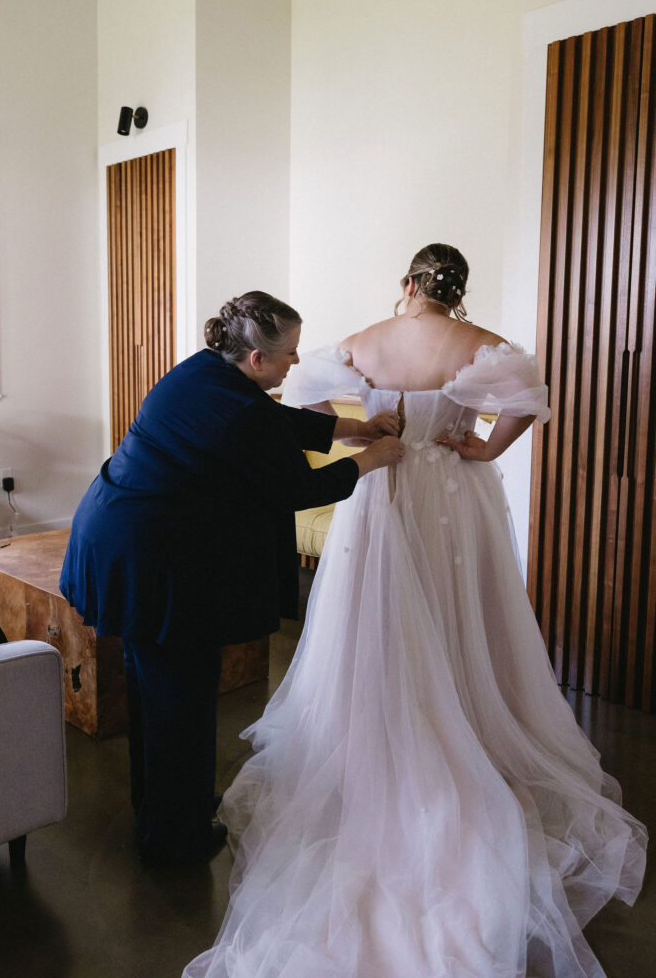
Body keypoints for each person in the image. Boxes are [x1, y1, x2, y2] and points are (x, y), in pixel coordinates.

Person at [183, 246, 647, 977]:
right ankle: (469, 723)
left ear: (407, 283)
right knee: (462, 617)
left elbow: (302, 400)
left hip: (379, 491)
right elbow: (529, 401)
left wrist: (360, 428)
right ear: (458, 290)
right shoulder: (479, 342)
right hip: (452, 500)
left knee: (378, 617)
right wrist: (481, 445)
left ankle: (380, 728)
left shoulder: (362, 342)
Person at [59, 291, 403, 865]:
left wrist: (351, 428)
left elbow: (273, 420)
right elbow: (301, 489)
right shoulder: (239, 410)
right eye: (289, 354)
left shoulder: (205, 369)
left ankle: (165, 810)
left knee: (155, 693)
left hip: (122, 537)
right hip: (153, 560)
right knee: (183, 700)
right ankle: (177, 840)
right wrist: (373, 457)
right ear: (257, 360)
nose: (296, 362)